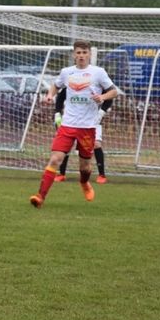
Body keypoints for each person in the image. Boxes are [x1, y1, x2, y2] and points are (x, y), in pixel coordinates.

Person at [31, 40, 117, 207]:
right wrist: (50, 95)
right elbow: (55, 86)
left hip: (87, 127)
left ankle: (84, 183)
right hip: (68, 124)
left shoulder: (98, 72)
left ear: (89, 54)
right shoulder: (66, 72)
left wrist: (103, 97)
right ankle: (40, 197)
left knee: (85, 166)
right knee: (55, 159)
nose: (81, 56)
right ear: (74, 55)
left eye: (84, 53)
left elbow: (113, 91)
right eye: (78, 53)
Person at [54, 86, 112, 184]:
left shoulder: (96, 83)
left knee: (96, 144)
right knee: (66, 145)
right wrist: (57, 113)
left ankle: (102, 175)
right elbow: (60, 97)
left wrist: (101, 113)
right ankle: (61, 174)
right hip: (71, 121)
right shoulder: (71, 84)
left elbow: (109, 97)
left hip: (91, 121)